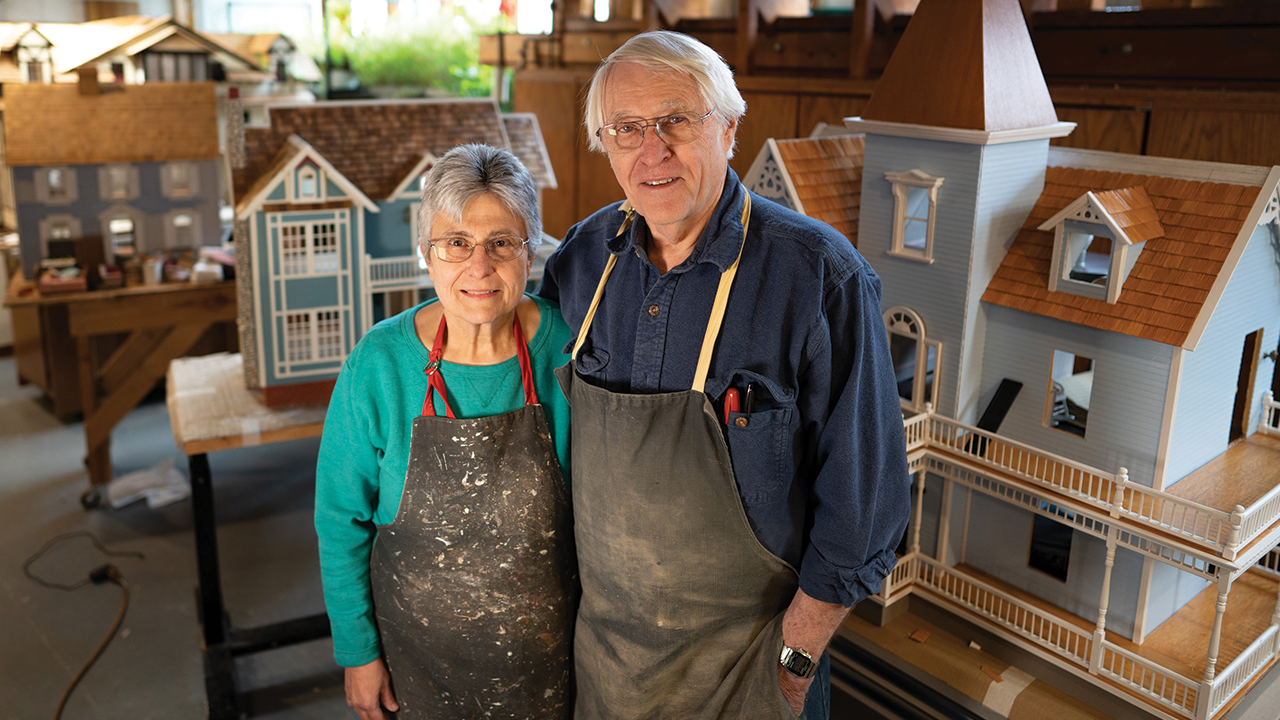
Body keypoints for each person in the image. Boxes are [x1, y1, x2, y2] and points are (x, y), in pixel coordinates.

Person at [537, 31, 911, 719]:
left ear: (730, 127)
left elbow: (865, 509)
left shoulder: (819, 276)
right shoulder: (583, 261)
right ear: (605, 143)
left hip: (752, 676)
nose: (652, 150)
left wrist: (790, 669)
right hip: (607, 673)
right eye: (626, 129)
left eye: (676, 120)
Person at [316, 144, 575, 720]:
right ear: (425, 254)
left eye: (501, 243)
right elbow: (339, 519)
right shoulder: (379, 363)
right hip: (415, 662)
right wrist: (357, 652)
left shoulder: (570, 348)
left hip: (551, 660)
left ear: (531, 250)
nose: (479, 267)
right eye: (456, 243)